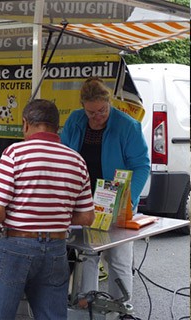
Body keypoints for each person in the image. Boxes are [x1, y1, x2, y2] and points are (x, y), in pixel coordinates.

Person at [0, 99, 95, 320]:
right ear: (57, 127)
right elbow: (87, 217)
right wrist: (56, 214)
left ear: (25, 124)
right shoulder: (77, 160)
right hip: (56, 249)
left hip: (15, 246)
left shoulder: (15, 153)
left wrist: (17, 213)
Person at [60, 77, 150, 306]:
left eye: (102, 110)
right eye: (91, 113)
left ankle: (120, 307)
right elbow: (64, 154)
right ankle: (87, 306)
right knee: (86, 254)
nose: (97, 117)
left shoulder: (127, 126)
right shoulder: (75, 121)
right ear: (83, 107)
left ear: (109, 102)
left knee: (118, 257)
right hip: (84, 202)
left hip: (118, 200)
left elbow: (141, 165)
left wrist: (127, 201)